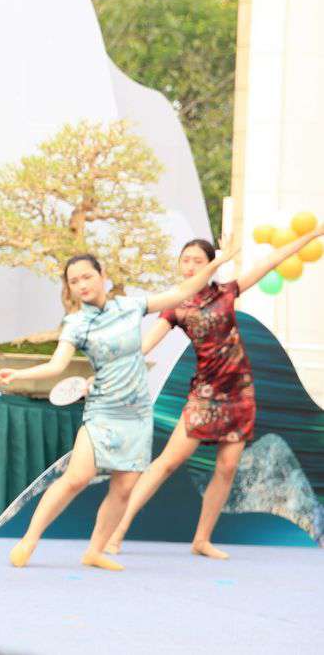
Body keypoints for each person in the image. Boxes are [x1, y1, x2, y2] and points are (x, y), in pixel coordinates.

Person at [0, 246, 229, 571]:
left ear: (103, 276)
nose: (82, 285)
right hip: (103, 411)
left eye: (87, 277)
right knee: (76, 477)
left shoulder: (131, 306)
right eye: (74, 281)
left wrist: (219, 262)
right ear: (69, 288)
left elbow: (181, 292)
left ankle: (95, 551)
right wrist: (17, 374)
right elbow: (56, 365)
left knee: (125, 487)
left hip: (138, 414)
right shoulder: (76, 323)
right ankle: (29, 540)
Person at [103, 223, 323, 558]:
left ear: (210, 264)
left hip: (239, 393)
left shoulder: (226, 292)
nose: (190, 266)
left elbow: (271, 262)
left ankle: (202, 540)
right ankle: (115, 532)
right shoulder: (176, 305)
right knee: (167, 463)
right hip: (205, 395)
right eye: (185, 260)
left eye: (197, 260)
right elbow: (144, 346)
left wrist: (312, 235)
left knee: (227, 467)